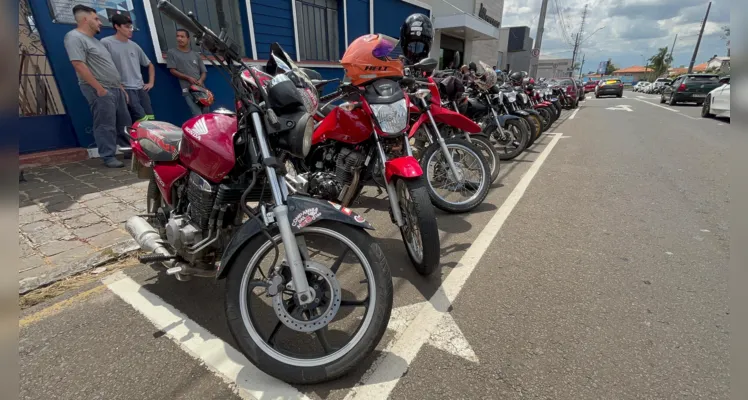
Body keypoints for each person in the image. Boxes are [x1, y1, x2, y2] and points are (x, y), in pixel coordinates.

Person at [64, 4, 131, 168]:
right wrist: (99, 89)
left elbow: (107, 65)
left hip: (115, 87)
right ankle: (108, 156)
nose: (100, 23)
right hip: (99, 88)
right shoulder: (74, 37)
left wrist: (120, 87)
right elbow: (78, 64)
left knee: (124, 122)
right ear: (85, 19)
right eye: (96, 19)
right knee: (105, 124)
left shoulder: (96, 41)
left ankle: (128, 150)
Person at [102, 13, 155, 123]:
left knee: (151, 119)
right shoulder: (106, 43)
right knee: (141, 120)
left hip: (140, 88)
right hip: (124, 88)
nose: (130, 30)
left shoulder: (134, 45)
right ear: (117, 26)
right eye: (126, 27)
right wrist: (120, 87)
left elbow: (150, 65)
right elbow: (105, 68)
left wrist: (151, 83)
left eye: (131, 27)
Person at [166, 29, 209, 116]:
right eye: (177, 36)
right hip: (187, 89)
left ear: (188, 39)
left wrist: (200, 81)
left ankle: (207, 129)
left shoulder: (196, 54)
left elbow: (204, 72)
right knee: (197, 114)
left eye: (182, 36)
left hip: (201, 89)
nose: (179, 39)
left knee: (206, 112)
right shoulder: (172, 52)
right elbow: (172, 70)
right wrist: (188, 78)